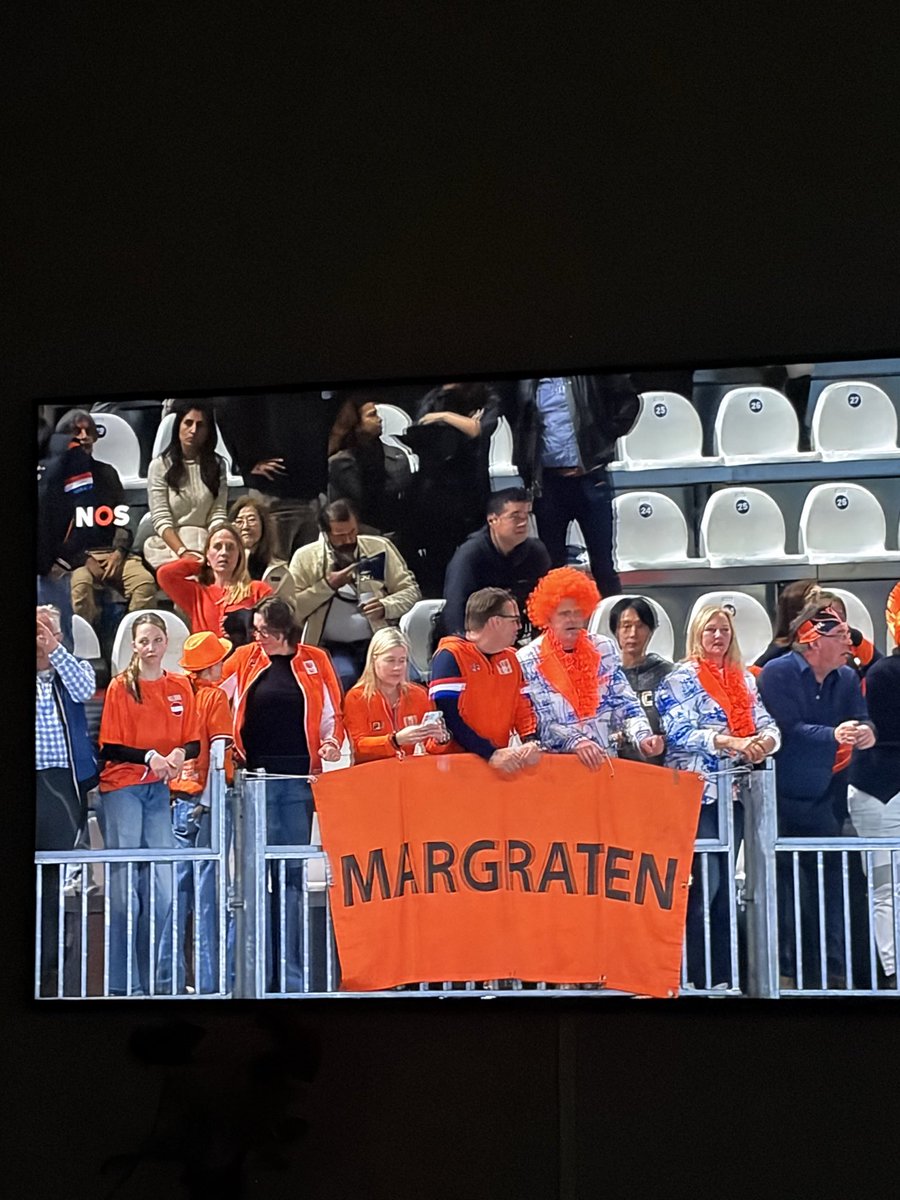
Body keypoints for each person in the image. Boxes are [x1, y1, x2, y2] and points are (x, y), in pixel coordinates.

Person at [221, 596, 343, 990]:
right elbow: (215, 706)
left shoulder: (316, 660)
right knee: (256, 878)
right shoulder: (243, 659)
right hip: (253, 781)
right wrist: (228, 752)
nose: (260, 638)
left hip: (295, 783)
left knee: (291, 878)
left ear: (287, 632)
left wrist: (331, 743)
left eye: (267, 632)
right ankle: (253, 971)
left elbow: (332, 714)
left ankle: (290, 977)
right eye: (256, 630)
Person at [656, 605, 780, 989]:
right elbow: (678, 732)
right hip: (699, 794)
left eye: (724, 629)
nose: (717, 636)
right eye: (710, 630)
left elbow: (768, 724)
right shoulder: (679, 678)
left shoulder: (744, 678)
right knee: (703, 887)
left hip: (737, 795)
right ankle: (693, 977)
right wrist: (726, 740)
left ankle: (724, 978)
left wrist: (764, 743)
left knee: (727, 887)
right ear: (696, 634)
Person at [758, 602, 876, 989]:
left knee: (831, 883)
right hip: (783, 797)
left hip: (827, 793)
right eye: (840, 635)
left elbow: (861, 716)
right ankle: (788, 970)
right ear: (813, 641)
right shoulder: (778, 674)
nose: (849, 641)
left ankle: (831, 968)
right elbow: (786, 729)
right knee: (789, 889)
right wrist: (833, 734)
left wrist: (866, 732)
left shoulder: (845, 676)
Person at [96, 613, 200, 995]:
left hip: (159, 790)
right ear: (134, 646)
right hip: (123, 788)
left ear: (166, 643)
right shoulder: (120, 687)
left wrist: (176, 754)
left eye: (158, 640)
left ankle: (153, 983)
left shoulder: (180, 687)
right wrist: (150, 757)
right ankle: (124, 987)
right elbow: (110, 745)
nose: (152, 648)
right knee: (126, 894)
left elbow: (194, 741)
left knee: (161, 890)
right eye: (145, 642)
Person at [510, 374, 641, 597]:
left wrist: (602, 437)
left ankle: (615, 624)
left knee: (603, 566)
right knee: (552, 569)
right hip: (549, 484)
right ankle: (553, 629)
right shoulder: (525, 383)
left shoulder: (588, 375)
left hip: (590, 478)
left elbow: (630, 402)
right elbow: (520, 423)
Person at [517, 568, 662, 769]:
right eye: (565, 614)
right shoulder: (526, 659)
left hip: (605, 766)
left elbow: (625, 704)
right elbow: (537, 723)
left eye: (578, 613)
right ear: (548, 617)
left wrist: (643, 736)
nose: (572, 620)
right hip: (557, 769)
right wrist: (576, 741)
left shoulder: (604, 648)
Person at [40, 410, 156, 649]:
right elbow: (62, 531)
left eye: (88, 431)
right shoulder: (52, 482)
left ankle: (130, 647)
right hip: (77, 559)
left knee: (144, 582)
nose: (84, 437)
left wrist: (119, 552)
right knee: (79, 587)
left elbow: (123, 518)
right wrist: (82, 558)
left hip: (114, 553)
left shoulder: (108, 473)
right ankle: (89, 649)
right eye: (76, 431)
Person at [287, 499, 421, 692]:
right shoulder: (305, 558)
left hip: (378, 640)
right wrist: (327, 585)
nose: (348, 540)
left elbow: (410, 591)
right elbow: (292, 609)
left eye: (352, 532)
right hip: (332, 647)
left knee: (411, 681)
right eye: (340, 536)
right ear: (326, 533)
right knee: (344, 679)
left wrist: (386, 606)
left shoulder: (379, 548)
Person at [35, 605, 99, 996]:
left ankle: (49, 969)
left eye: (51, 631)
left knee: (51, 882)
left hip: (60, 785)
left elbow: (84, 690)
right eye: (37, 630)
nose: (42, 638)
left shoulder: (71, 671)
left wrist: (54, 649)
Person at [167, 631, 234, 994]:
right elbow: (221, 749)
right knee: (208, 895)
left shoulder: (174, 693)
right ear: (213, 665)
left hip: (176, 800)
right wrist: (212, 802)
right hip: (207, 803)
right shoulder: (215, 696)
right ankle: (210, 983)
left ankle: (170, 981)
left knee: (176, 895)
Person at [214, 391, 346, 560]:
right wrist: (247, 462)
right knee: (275, 569)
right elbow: (227, 408)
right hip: (275, 493)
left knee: (306, 570)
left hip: (311, 492)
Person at [846, 582, 900, 987]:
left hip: (879, 788)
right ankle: (892, 973)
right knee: (887, 888)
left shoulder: (880, 669)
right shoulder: (881, 672)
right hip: (880, 792)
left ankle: (892, 972)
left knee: (888, 889)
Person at [400, 381, 500, 597]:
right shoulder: (432, 397)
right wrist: (451, 419)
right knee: (439, 555)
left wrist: (444, 417)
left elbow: (478, 430)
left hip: (470, 489)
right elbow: (421, 429)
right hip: (435, 491)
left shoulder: (485, 395)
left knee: (476, 551)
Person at [429, 587, 541, 775]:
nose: (519, 627)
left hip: (496, 764)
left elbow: (523, 709)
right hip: (455, 768)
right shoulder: (450, 656)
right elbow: (448, 718)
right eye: (514, 620)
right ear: (495, 622)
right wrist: (490, 754)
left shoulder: (511, 658)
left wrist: (530, 741)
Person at [439, 487, 551, 641]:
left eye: (527, 515)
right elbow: (455, 608)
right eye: (515, 516)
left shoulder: (536, 552)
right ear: (492, 520)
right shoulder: (470, 555)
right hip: (473, 640)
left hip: (516, 638)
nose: (523, 523)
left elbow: (546, 602)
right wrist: (466, 649)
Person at [343, 628, 450, 764]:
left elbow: (431, 748)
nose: (397, 667)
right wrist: (395, 740)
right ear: (374, 660)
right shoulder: (356, 698)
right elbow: (357, 746)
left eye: (402, 660)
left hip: (410, 774)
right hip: (371, 776)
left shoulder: (419, 694)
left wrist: (439, 740)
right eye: (390, 660)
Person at [144, 400, 229, 569]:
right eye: (188, 423)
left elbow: (218, 514)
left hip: (207, 539)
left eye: (200, 425)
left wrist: (214, 546)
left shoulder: (218, 465)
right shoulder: (160, 465)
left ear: (208, 431)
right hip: (171, 545)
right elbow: (161, 519)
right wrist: (183, 552)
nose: (193, 430)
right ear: (178, 427)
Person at [157, 521, 272, 644]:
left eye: (230, 547)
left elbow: (273, 630)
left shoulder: (258, 590)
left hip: (246, 659)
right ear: (207, 553)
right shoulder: (197, 594)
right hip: (206, 660)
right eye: (217, 547)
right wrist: (200, 564)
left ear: (240, 555)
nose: (224, 553)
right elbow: (165, 575)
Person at [326, 393, 412, 544]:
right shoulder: (342, 462)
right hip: (362, 533)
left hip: (392, 528)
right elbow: (356, 504)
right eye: (372, 415)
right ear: (356, 423)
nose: (379, 419)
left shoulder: (387, 452)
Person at [607, 596, 673, 766]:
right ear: (616, 631)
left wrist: (661, 741)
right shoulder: (603, 677)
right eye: (626, 626)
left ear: (651, 631)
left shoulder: (669, 675)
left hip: (658, 770)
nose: (633, 634)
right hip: (611, 770)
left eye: (640, 626)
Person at [227, 495, 296, 609]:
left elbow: (290, 613)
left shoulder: (280, 571)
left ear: (263, 525)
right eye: (239, 521)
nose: (245, 526)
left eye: (251, 520)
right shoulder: (224, 566)